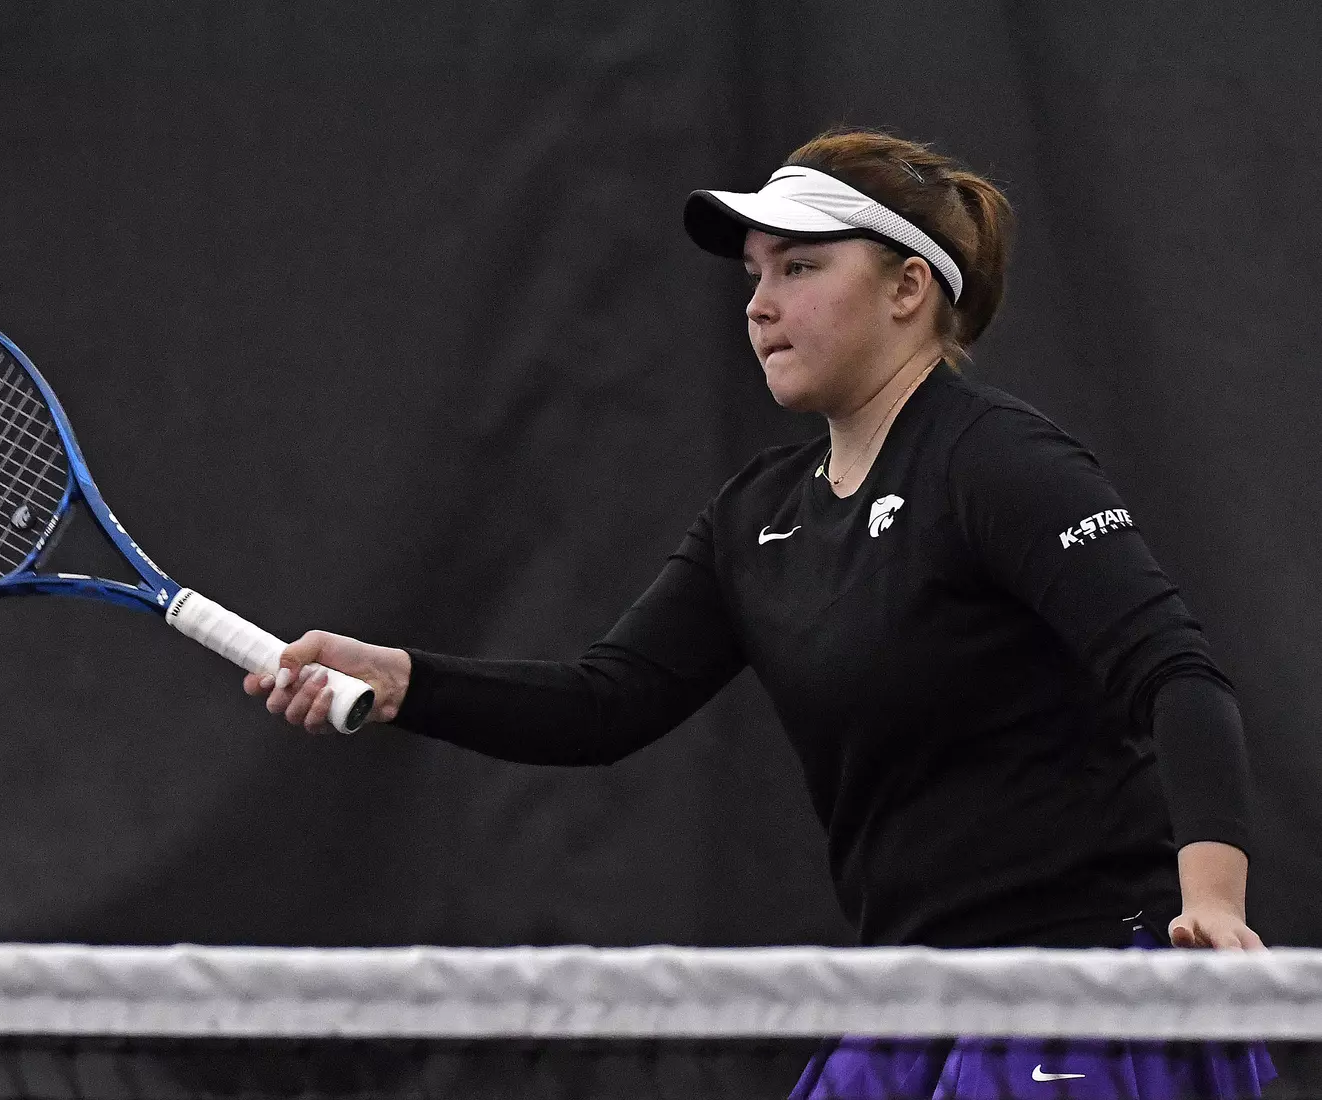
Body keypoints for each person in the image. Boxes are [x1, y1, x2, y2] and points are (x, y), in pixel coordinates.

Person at [243, 129, 1273, 1097]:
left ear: (909, 286)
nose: (759, 304)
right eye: (754, 275)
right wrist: (404, 681)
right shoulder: (756, 518)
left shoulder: (999, 462)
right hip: (909, 995)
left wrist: (1212, 904)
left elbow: (1177, 674)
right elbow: (605, 703)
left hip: (1080, 980)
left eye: (800, 267)